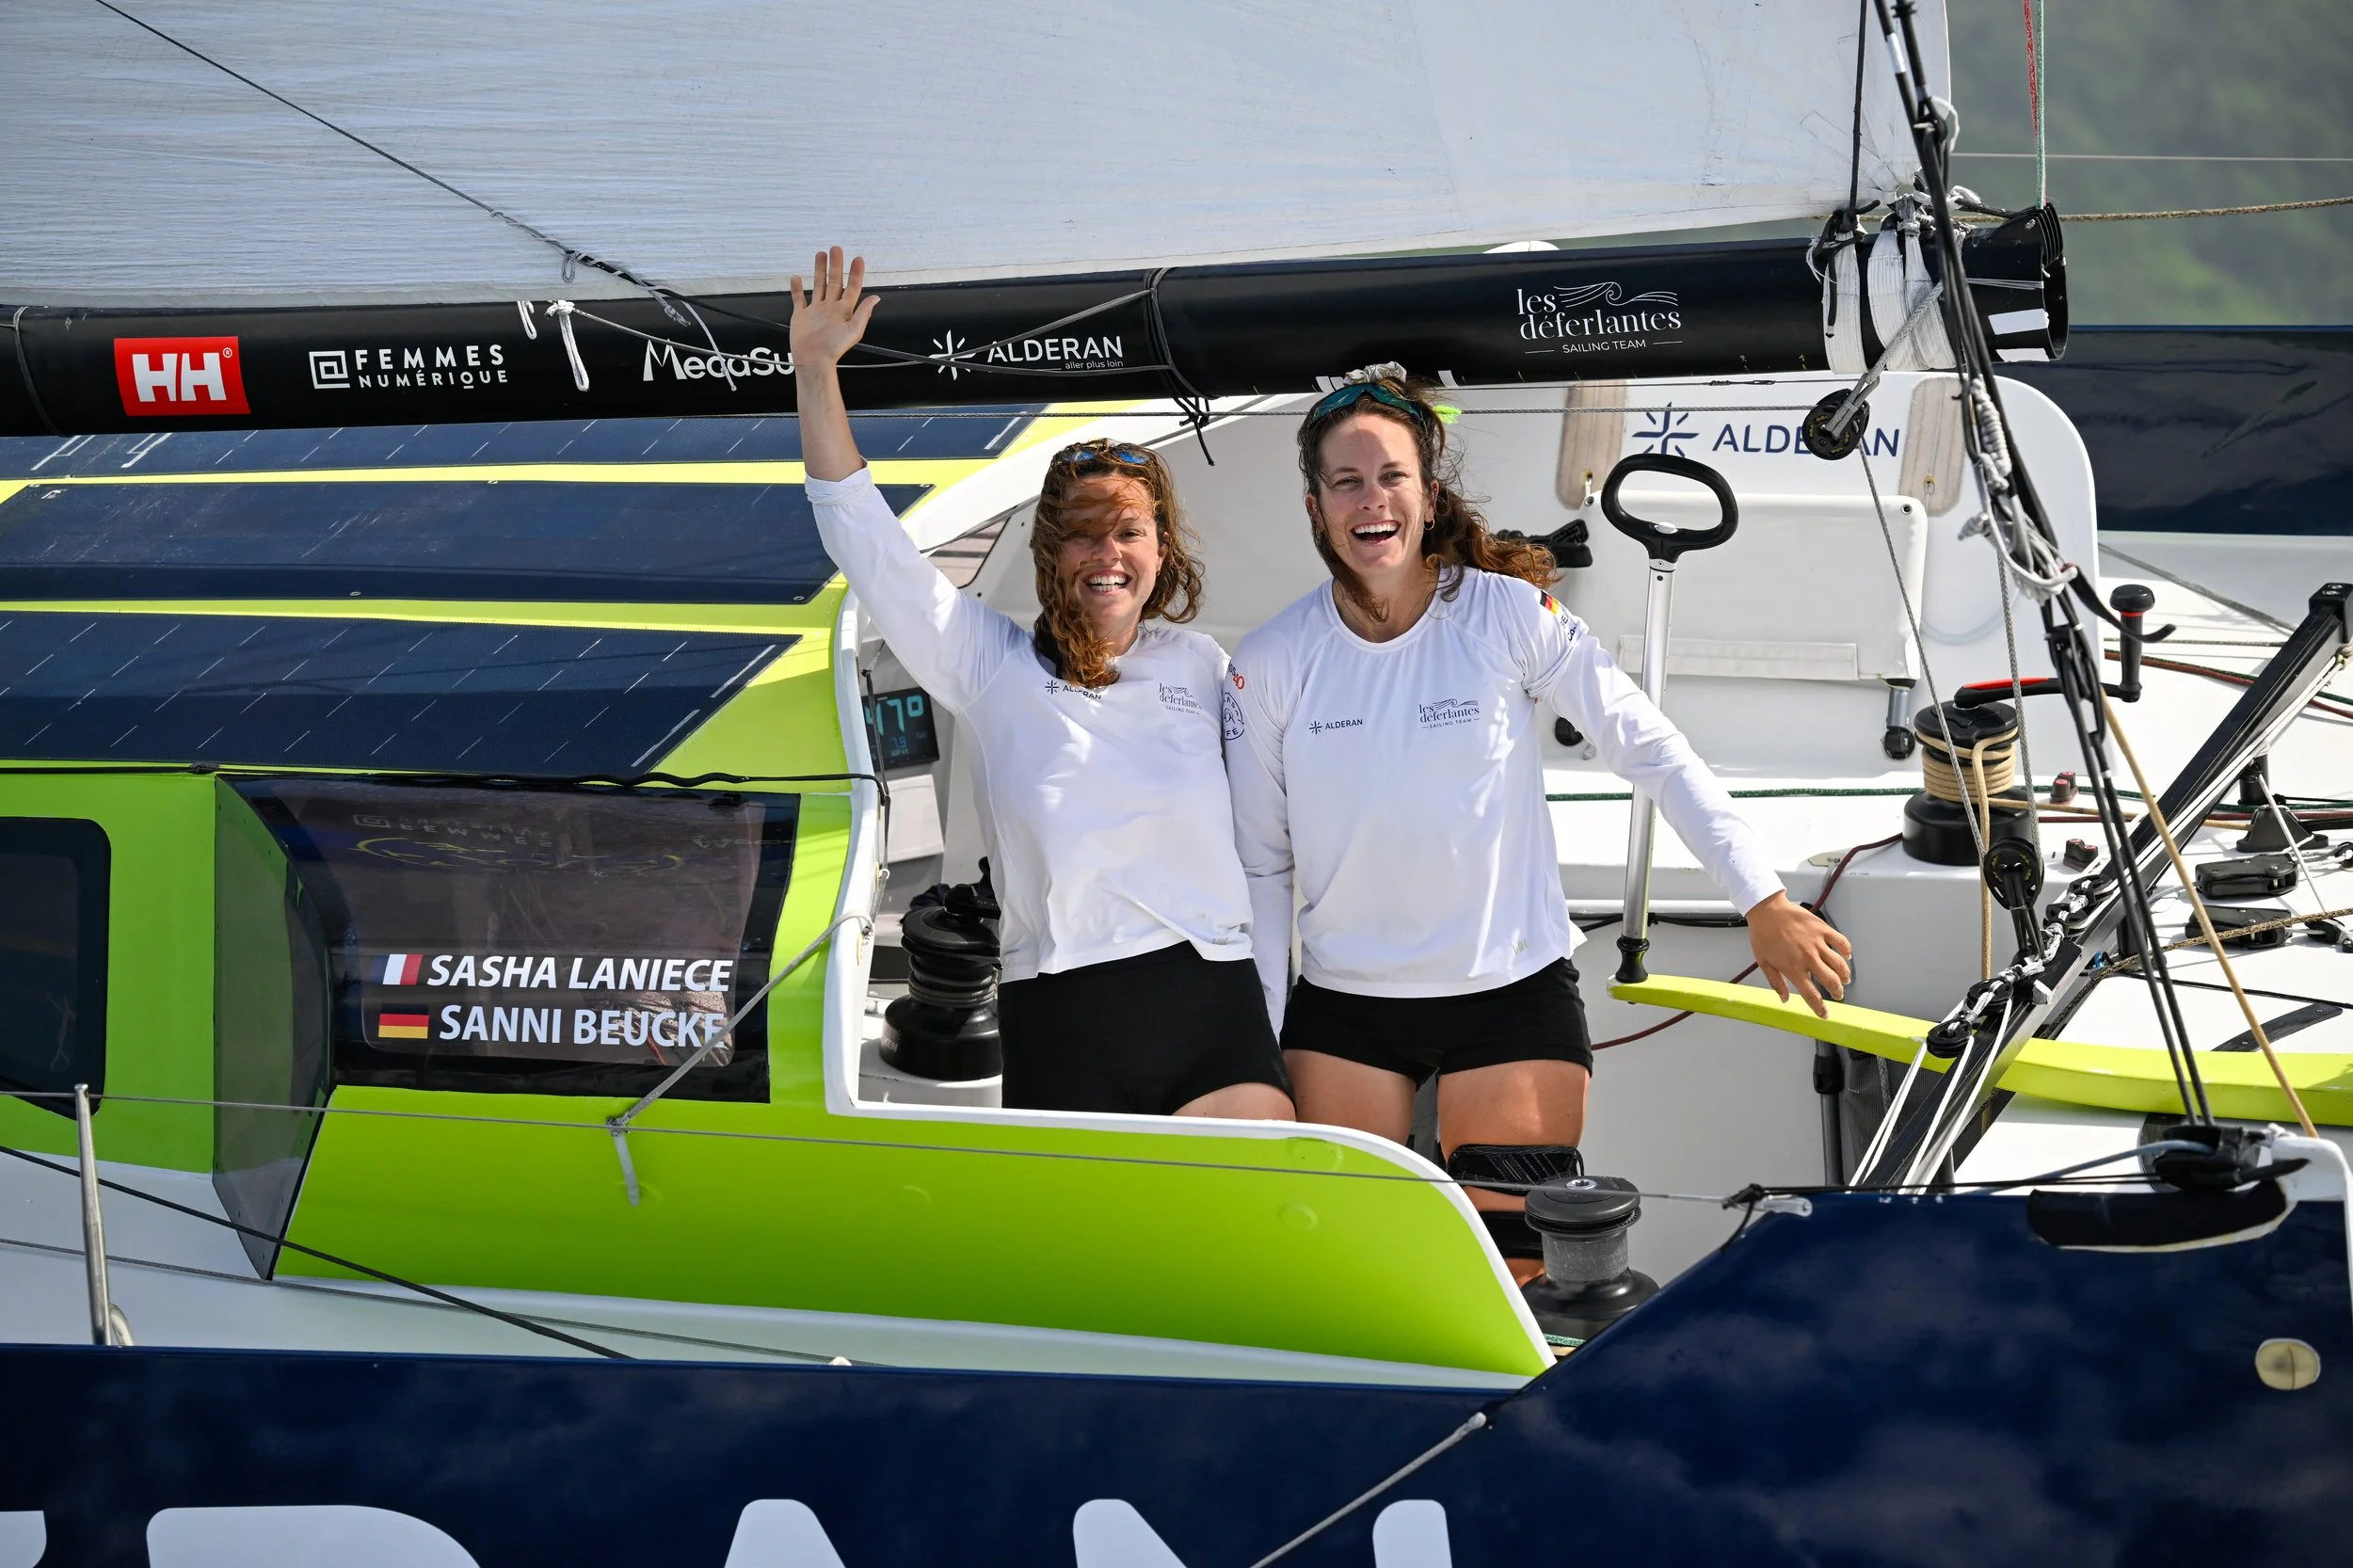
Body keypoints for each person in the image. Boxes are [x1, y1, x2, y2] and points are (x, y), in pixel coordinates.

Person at [1225, 373, 1849, 1264]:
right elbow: (1261, 867)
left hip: (1509, 995)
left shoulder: (1507, 615)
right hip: (1347, 1006)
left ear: (1428, 495)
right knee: (1343, 1260)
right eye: (1347, 481)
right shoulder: (1274, 660)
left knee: (1520, 1261)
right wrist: (1257, 1039)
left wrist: (1764, 899)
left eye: (1393, 476)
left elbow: (1653, 751)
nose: (1373, 501)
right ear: (1316, 505)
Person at [791, 248, 1293, 1121]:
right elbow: (864, 541)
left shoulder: (1206, 669)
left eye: (1129, 532)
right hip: (1061, 1012)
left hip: (1212, 1001)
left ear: (1161, 548)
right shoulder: (989, 666)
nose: (1108, 556)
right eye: (1084, 535)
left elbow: (1276, 840)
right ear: (1049, 554)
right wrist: (815, 369)